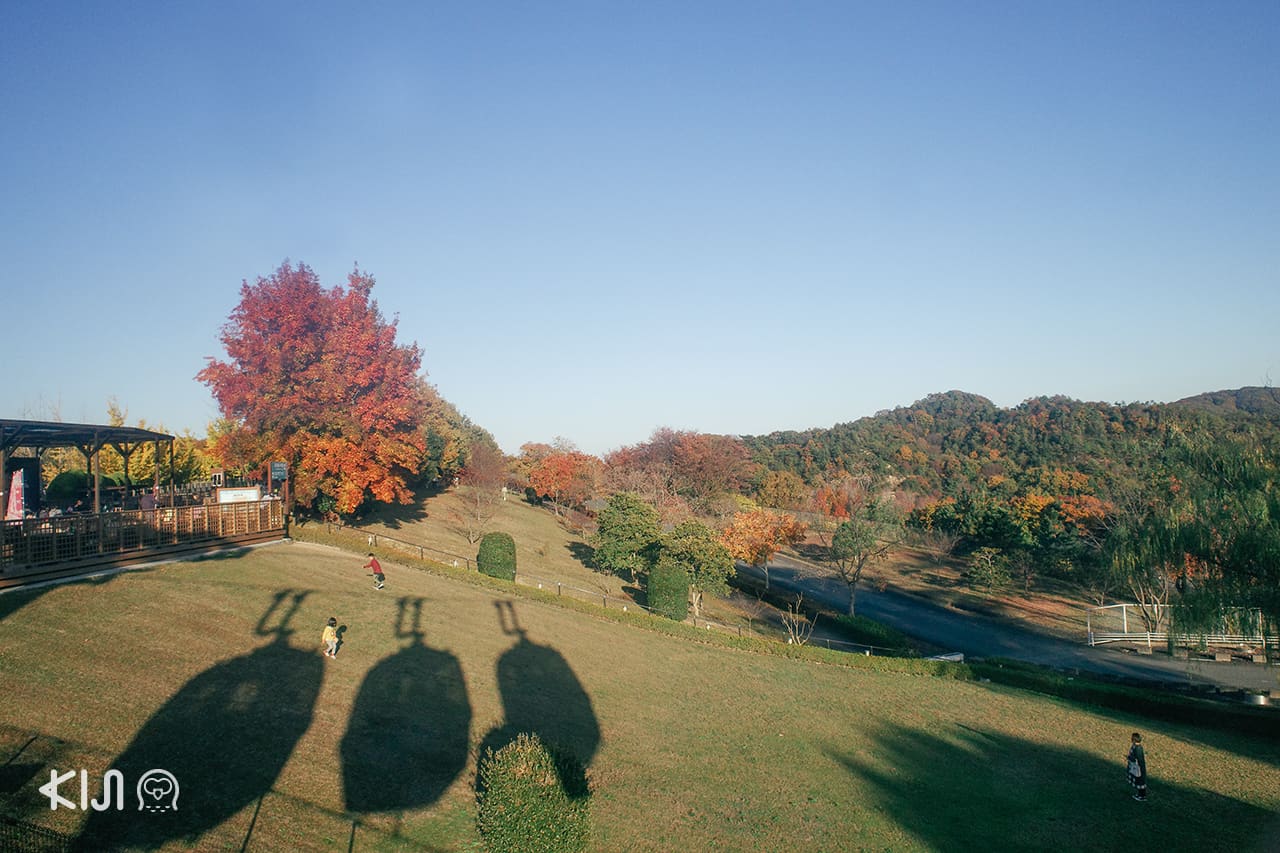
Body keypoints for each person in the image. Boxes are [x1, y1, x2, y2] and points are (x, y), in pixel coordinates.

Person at [1126, 732, 1147, 801]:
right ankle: (1139, 794)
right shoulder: (1135, 746)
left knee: (1140, 782)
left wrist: (1130, 758)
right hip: (1137, 767)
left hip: (1139, 768)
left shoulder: (1138, 748)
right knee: (1138, 781)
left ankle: (1142, 796)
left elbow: (1139, 759)